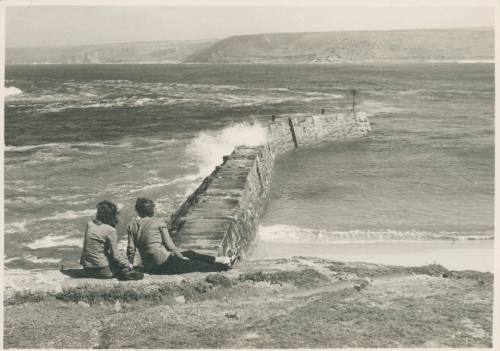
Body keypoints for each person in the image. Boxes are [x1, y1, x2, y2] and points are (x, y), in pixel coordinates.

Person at [127, 197, 236, 275]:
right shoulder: (158, 222)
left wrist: (131, 265)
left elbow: (131, 250)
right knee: (196, 265)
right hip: (163, 264)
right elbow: (169, 245)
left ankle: (223, 259)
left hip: (149, 266)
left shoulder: (131, 226)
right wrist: (181, 258)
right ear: (152, 210)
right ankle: (225, 268)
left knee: (190, 253)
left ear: (138, 212)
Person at [80, 200, 143, 280]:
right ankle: (125, 272)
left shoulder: (89, 224)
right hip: (103, 270)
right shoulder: (110, 230)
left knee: (112, 257)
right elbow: (115, 255)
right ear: (112, 216)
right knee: (122, 261)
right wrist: (128, 264)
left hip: (87, 267)